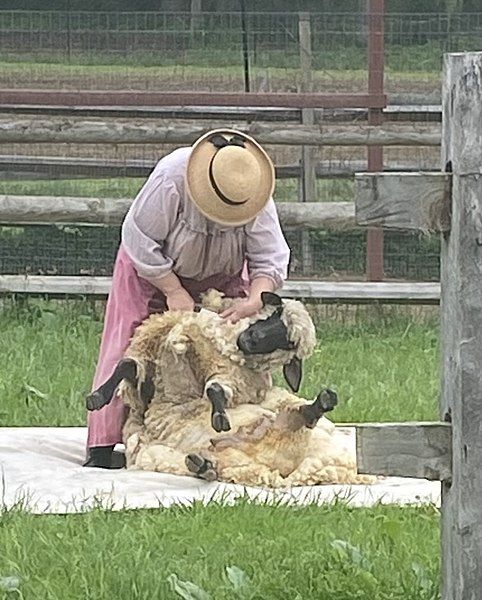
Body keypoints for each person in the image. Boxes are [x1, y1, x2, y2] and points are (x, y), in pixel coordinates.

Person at [84, 128, 291, 469]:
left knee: (232, 354)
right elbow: (139, 239)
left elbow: (269, 255)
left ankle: (233, 438)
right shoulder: (171, 178)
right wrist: (173, 290)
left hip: (221, 278)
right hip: (152, 271)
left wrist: (256, 297)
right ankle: (103, 444)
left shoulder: (251, 190)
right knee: (130, 342)